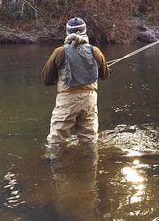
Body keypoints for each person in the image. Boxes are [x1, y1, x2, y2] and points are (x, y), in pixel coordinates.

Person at [41, 17, 110, 159]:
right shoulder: (95, 51)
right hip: (90, 99)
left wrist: (58, 78)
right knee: (89, 138)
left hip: (67, 99)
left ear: (67, 32)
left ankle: (50, 164)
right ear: (85, 32)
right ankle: (91, 166)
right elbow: (105, 75)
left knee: (56, 138)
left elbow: (46, 80)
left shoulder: (59, 52)